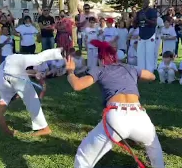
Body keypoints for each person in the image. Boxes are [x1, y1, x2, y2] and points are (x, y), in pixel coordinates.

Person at [65, 39, 165, 168]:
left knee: (84, 156)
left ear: (100, 59)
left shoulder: (100, 69)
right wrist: (133, 77)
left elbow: (77, 85)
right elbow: (152, 76)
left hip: (116, 117)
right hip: (140, 117)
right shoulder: (130, 68)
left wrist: (70, 72)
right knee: (154, 149)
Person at [0, 48, 63, 136]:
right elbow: (16, 73)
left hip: (11, 68)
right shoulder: (3, 89)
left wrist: (9, 132)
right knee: (31, 100)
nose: (19, 96)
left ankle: (61, 51)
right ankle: (60, 50)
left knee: (31, 99)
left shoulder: (4, 93)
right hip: (9, 64)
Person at [135, 0, 157, 72]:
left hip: (150, 35)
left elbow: (154, 23)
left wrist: (146, 19)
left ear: (148, 2)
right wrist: (135, 17)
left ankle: (149, 72)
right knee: (140, 55)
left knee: (149, 55)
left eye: (145, 1)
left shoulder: (152, 11)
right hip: (141, 35)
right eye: (142, 1)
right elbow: (135, 24)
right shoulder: (139, 12)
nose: (143, 3)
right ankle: (141, 72)